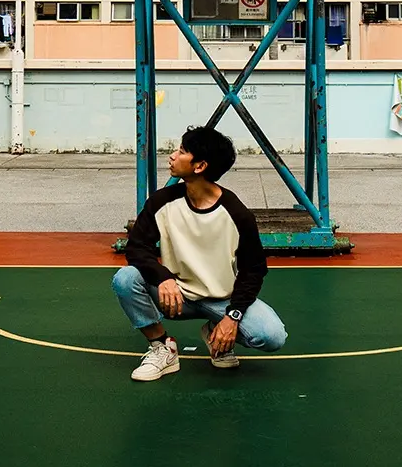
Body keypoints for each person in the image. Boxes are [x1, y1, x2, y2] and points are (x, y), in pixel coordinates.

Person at [112, 125, 286, 383]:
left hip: (222, 300)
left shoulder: (237, 214)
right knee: (126, 279)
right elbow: (137, 248)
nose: (172, 155)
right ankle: (162, 348)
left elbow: (254, 270)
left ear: (200, 166)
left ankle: (215, 330)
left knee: (272, 336)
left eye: (181, 151)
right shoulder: (162, 202)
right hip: (176, 296)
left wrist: (233, 316)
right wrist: (163, 277)